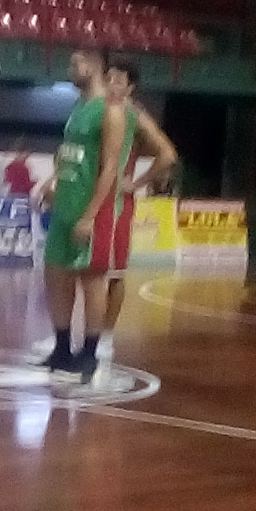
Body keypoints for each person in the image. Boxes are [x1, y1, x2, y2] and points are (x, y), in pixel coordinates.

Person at [35, 48, 128, 386]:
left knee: (92, 280)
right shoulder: (78, 108)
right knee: (56, 274)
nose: (71, 69)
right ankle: (62, 347)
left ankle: (89, 352)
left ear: (92, 67)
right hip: (65, 205)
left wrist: (90, 215)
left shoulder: (111, 112)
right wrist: (53, 184)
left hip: (92, 209)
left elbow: (109, 170)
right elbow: (69, 156)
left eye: (75, 64)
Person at [92, 60, 178, 370]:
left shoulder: (135, 114)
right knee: (79, 269)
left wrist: (137, 182)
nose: (111, 83)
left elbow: (167, 154)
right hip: (88, 196)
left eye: (118, 80)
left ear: (130, 88)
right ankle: (70, 335)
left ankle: (105, 338)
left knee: (113, 272)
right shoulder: (94, 109)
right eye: (108, 77)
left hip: (115, 202)